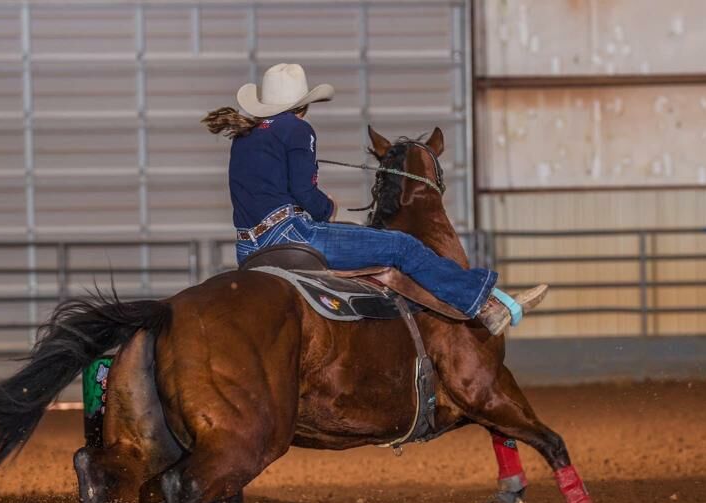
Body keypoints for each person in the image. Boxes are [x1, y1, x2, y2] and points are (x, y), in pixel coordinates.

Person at [202, 63, 547, 335]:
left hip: (249, 247)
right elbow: (305, 194)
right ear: (303, 105)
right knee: (401, 247)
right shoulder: (297, 129)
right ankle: (485, 307)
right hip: (291, 234)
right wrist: (328, 208)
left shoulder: (245, 136)